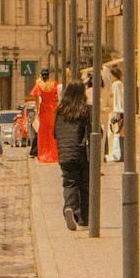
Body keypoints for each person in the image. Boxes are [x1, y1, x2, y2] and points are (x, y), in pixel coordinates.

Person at [54, 80, 90, 230]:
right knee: (83, 185)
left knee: (69, 182)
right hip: (80, 153)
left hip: (64, 154)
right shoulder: (85, 110)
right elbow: (93, 132)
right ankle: (82, 218)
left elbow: (54, 133)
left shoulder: (60, 110)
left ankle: (69, 207)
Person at [33, 68, 59, 164]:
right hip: (52, 110)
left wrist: (36, 111)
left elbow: (36, 99)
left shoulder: (39, 85)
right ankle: (53, 154)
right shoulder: (54, 84)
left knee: (43, 134)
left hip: (43, 110)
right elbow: (57, 96)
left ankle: (43, 154)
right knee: (52, 133)